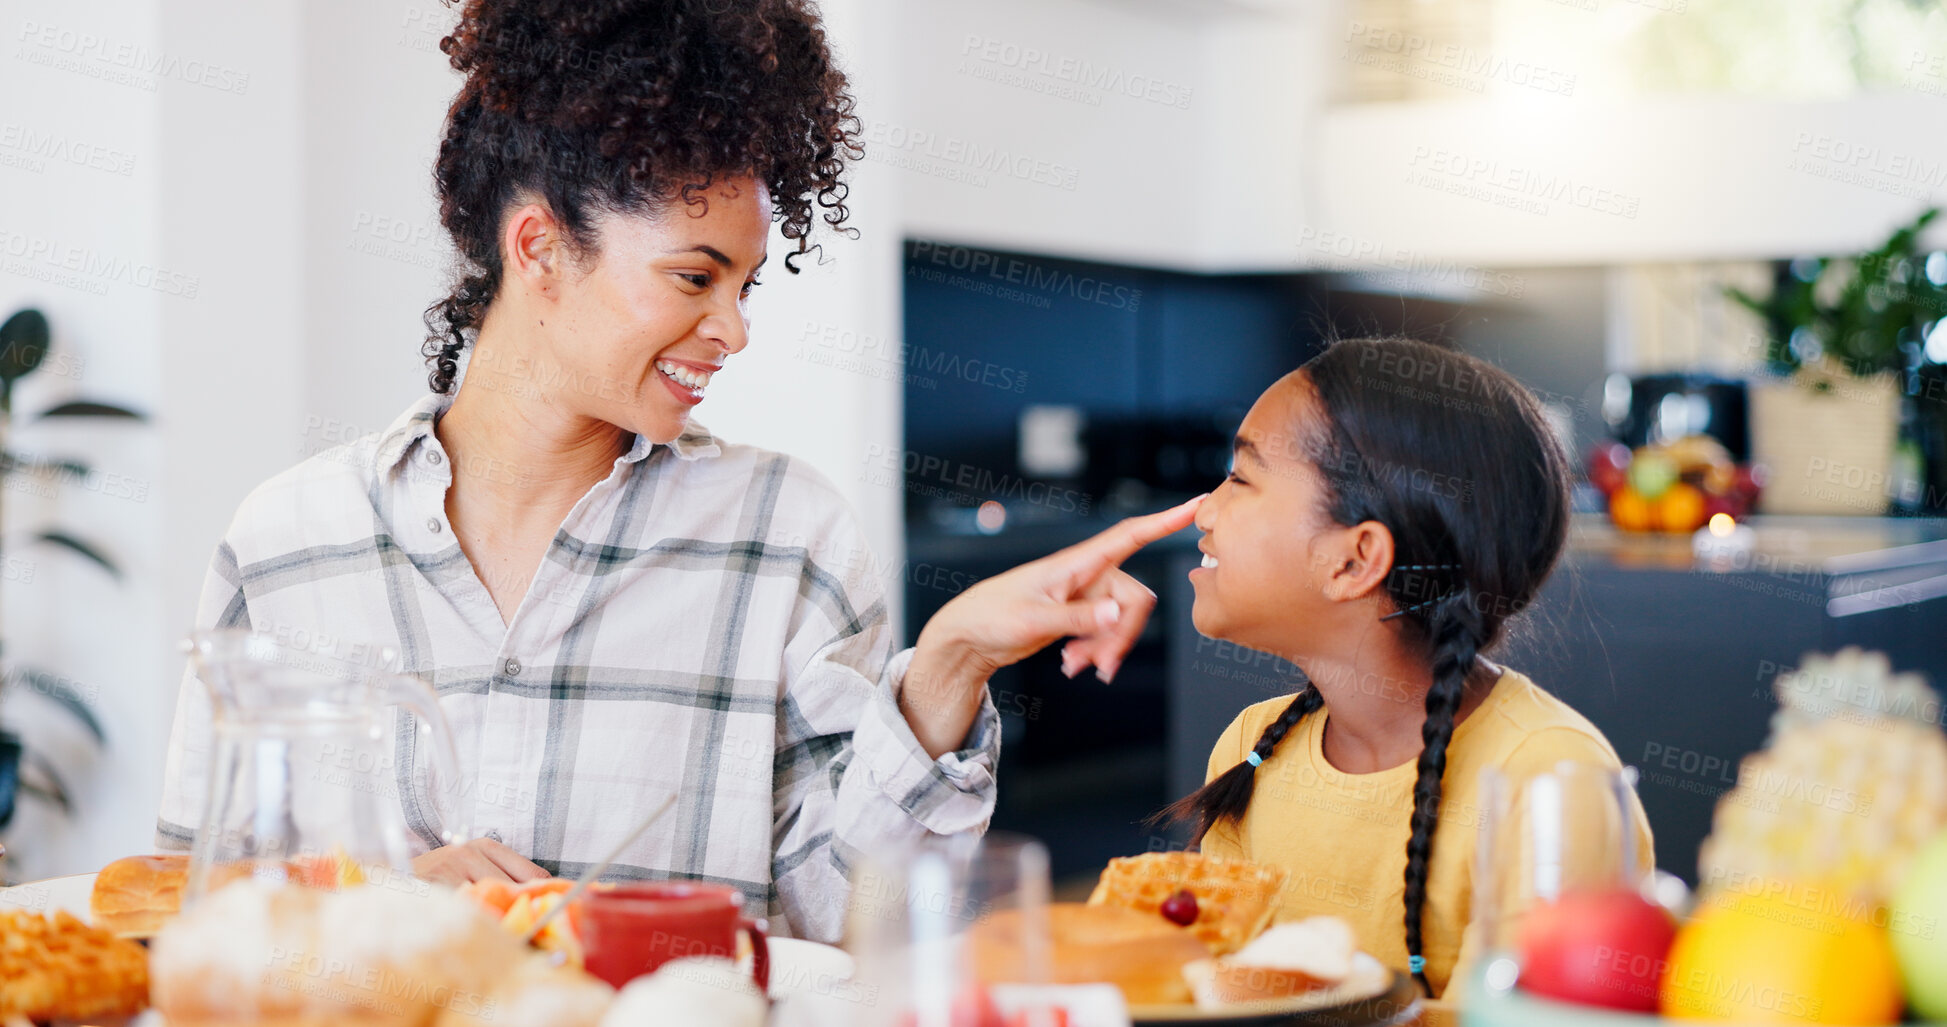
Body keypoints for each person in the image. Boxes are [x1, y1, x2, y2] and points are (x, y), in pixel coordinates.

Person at [156, 0, 1198, 943]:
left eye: (745, 284)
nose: (734, 330)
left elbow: (853, 922)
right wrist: (387, 902)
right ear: (538, 249)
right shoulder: (290, 541)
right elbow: (187, 916)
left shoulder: (784, 531)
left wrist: (955, 658)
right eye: (695, 277)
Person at [1162, 337, 1654, 997]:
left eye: (1240, 477)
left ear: (1354, 558)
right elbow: (1224, 996)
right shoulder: (1248, 748)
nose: (1204, 509)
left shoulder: (1550, 783)